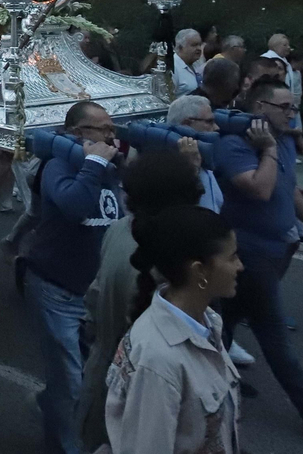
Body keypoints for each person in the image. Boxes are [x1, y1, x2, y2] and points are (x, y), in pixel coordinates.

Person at [214, 78, 303, 435]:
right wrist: (269, 149)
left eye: (294, 107)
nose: (293, 113)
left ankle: (214, 380)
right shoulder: (234, 144)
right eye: (285, 107)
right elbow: (260, 190)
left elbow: (286, 188)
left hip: (277, 250)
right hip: (248, 254)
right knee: (274, 336)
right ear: (261, 108)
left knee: (224, 322)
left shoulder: (284, 140)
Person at [77, 146, 206, 452]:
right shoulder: (176, 259)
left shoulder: (120, 230)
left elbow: (93, 304)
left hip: (101, 381)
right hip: (141, 402)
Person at [22, 101, 123, 454]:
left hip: (93, 294)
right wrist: (94, 163)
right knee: (71, 385)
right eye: (103, 130)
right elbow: (74, 205)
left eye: (113, 129)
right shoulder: (58, 164)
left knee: (91, 378)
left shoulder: (108, 166)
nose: (112, 137)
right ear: (78, 134)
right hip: (56, 291)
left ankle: (51, 406)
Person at [103, 205, 243, 454]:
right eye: (232, 257)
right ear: (200, 270)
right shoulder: (158, 359)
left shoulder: (208, 322)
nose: (240, 266)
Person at [172, 28, 203, 96]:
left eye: (200, 45)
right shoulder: (173, 67)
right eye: (194, 45)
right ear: (180, 48)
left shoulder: (197, 63)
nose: (199, 48)